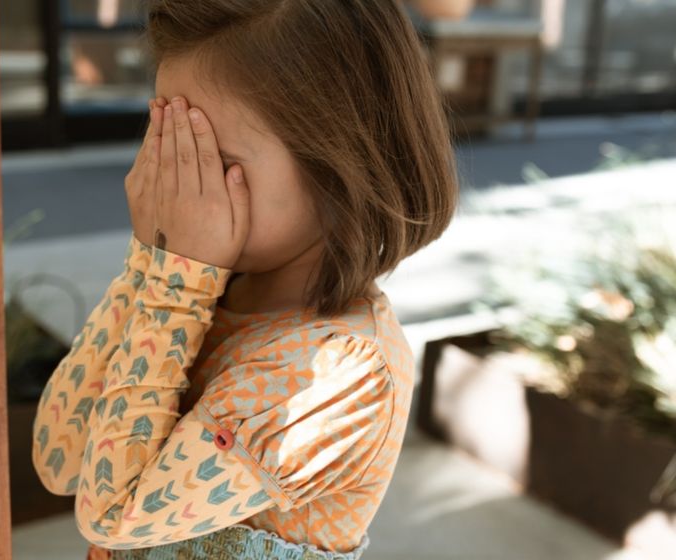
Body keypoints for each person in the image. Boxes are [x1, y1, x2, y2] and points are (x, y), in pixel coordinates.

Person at [32, 0, 458, 557]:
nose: (175, 186)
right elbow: (59, 459)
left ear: (340, 168)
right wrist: (151, 261)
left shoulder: (342, 369)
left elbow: (111, 514)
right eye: (168, 146)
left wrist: (175, 283)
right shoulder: (199, 290)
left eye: (209, 160)